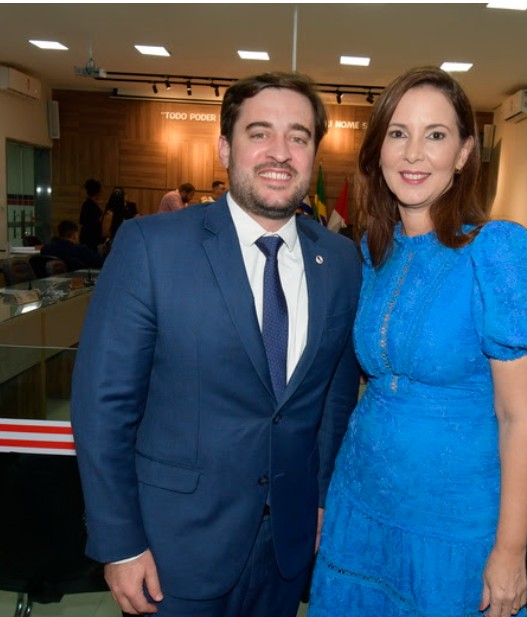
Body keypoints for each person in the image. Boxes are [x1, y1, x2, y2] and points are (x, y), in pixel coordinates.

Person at [71, 71, 362, 617]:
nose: (281, 152)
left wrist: (321, 497)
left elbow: (334, 397)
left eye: (298, 137)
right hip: (173, 549)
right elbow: (102, 406)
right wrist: (120, 542)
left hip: (288, 545)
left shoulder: (341, 260)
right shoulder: (151, 246)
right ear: (225, 147)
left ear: (314, 154)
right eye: (260, 133)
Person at [307, 67, 527, 617]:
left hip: (454, 524)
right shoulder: (373, 253)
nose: (413, 154)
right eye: (399, 133)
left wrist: (510, 550)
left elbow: (519, 418)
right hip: (360, 500)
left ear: (463, 153)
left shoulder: (498, 252)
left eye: (436, 135)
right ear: (378, 149)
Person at [79, 178, 104, 251]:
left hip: (86, 236)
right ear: (97, 192)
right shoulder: (92, 206)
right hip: (91, 238)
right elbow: (95, 223)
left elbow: (81, 221)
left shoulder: (86, 204)